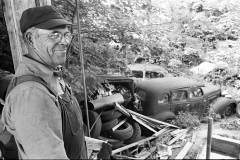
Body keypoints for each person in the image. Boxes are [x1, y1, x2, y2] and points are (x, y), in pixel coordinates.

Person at [1, 5, 88, 159]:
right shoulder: (31, 94)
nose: (64, 42)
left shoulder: (51, 76)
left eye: (66, 35)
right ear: (30, 39)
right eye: (54, 34)